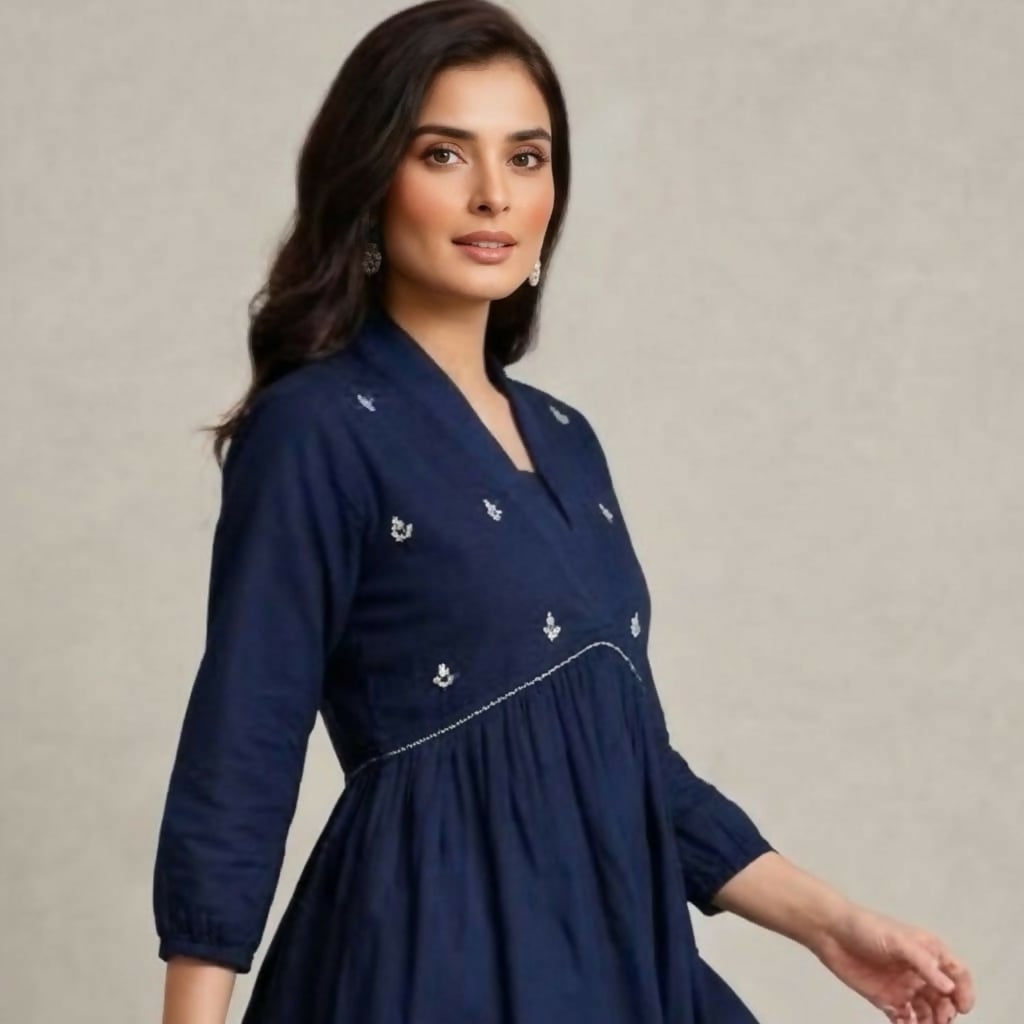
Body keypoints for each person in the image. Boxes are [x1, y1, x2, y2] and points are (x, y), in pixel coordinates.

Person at [151, 2, 976, 1022]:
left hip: (617, 957)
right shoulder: (316, 427)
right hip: (430, 961)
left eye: (526, 157)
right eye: (444, 154)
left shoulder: (567, 438)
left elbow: (626, 760)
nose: (493, 194)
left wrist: (830, 923)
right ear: (371, 183)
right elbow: (244, 739)